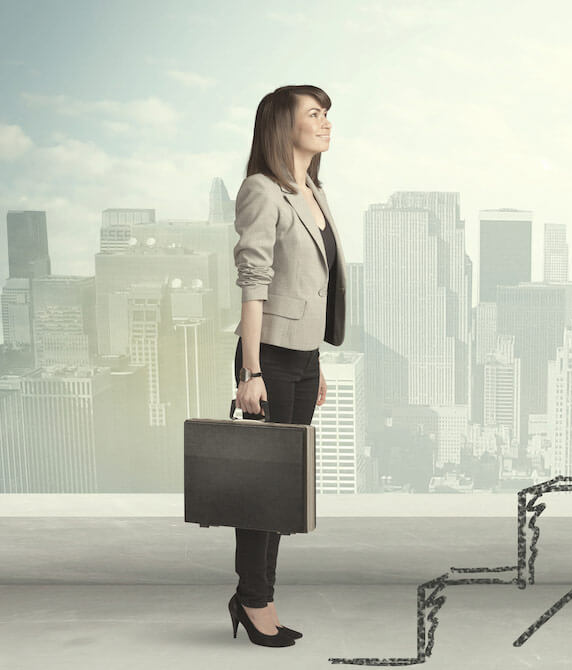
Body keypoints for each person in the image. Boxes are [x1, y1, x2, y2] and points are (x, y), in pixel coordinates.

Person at [227, 84, 347, 647]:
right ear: (284, 125)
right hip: (267, 357)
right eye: (314, 114)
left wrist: (315, 358)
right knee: (263, 489)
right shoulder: (262, 190)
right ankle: (254, 599)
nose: (326, 122)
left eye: (327, 114)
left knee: (284, 490)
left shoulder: (314, 190)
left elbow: (313, 286)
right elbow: (254, 285)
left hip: (301, 357)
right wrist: (250, 372)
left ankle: (258, 593)